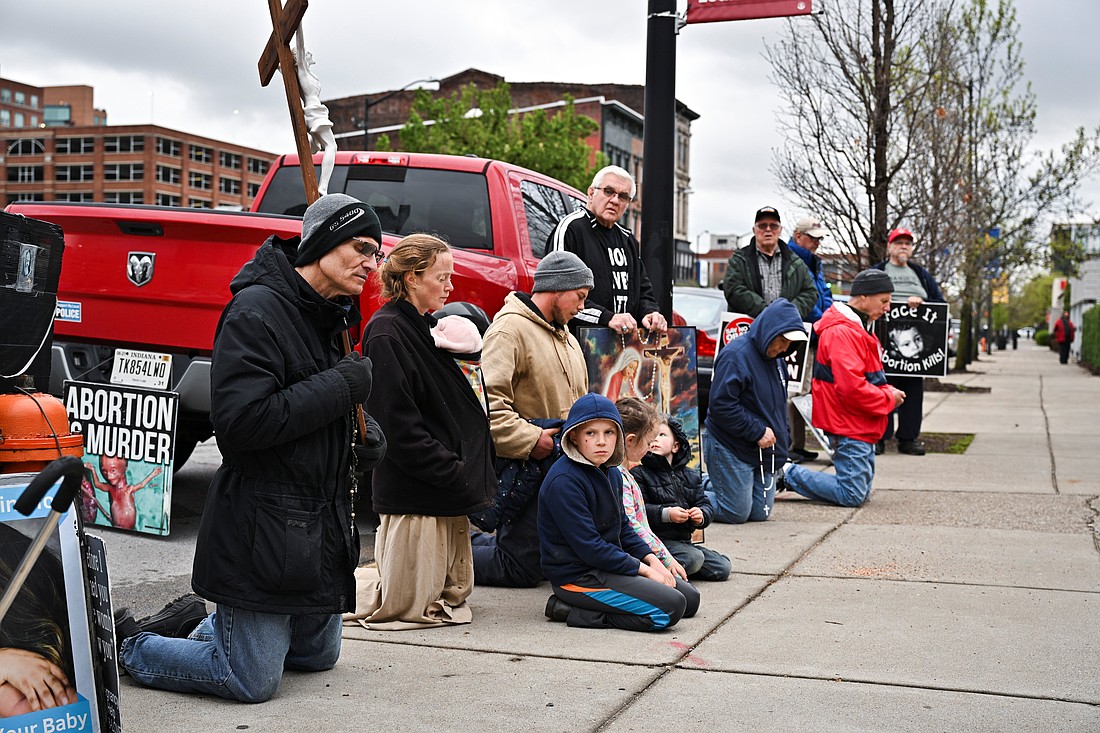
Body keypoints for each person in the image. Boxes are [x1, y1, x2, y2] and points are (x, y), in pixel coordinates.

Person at [115, 192, 388, 703]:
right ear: (325, 243)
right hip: (262, 525)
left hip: (318, 525)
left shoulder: (331, 316)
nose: (372, 265)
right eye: (363, 248)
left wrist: (364, 435)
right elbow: (241, 424)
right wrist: (341, 388)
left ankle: (204, 627)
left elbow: (320, 398)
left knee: (315, 657)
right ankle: (133, 644)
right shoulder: (256, 311)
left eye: (377, 254)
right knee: (248, 679)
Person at [347, 234, 495, 630]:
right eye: (442, 277)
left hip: (441, 488)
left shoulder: (423, 326)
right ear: (412, 278)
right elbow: (397, 427)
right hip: (418, 491)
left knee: (445, 596)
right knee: (414, 603)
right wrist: (453, 470)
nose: (450, 286)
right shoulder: (387, 332)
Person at [472, 251, 593, 587]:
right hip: (527, 469)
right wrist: (531, 441)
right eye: (580, 296)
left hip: (562, 468)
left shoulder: (567, 336)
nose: (582, 306)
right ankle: (452, 554)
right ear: (558, 287)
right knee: (519, 569)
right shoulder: (508, 330)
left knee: (545, 563)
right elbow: (486, 406)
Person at [538, 393, 699, 631]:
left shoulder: (611, 471)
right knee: (670, 609)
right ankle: (570, 610)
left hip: (608, 566)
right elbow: (590, 548)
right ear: (574, 436)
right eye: (591, 433)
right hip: (578, 577)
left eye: (609, 432)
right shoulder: (564, 481)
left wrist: (654, 562)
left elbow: (624, 528)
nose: (601, 441)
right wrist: (643, 571)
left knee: (690, 601)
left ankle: (621, 595)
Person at [782, 269, 906, 507]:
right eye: (884, 301)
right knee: (852, 494)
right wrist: (888, 398)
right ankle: (787, 473)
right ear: (864, 297)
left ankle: (787, 474)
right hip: (849, 424)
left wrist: (886, 391)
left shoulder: (855, 328)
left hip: (857, 423)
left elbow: (864, 378)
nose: (888, 307)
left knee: (859, 491)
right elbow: (851, 388)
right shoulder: (842, 332)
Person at [704, 298, 808, 524]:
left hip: (762, 450)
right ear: (769, 331)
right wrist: (758, 431)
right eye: (781, 341)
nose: (783, 348)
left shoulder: (777, 360)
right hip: (730, 444)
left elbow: (778, 405)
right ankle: (685, 492)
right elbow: (721, 405)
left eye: (788, 344)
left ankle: (719, 483)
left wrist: (783, 439)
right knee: (735, 513)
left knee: (760, 513)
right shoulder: (736, 355)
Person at [547, 165, 667, 337]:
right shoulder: (571, 229)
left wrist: (650, 312)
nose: (615, 200)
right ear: (591, 193)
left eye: (623, 196)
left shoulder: (627, 240)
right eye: (608, 191)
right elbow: (557, 291)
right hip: (576, 344)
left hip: (621, 350)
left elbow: (643, 291)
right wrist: (607, 317)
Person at [872, 227, 945, 456]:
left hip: (915, 345)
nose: (904, 246)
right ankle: (880, 438)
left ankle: (908, 438)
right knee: (882, 389)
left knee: (913, 392)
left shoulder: (920, 274)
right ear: (890, 247)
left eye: (908, 243)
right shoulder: (878, 271)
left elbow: (939, 302)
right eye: (899, 242)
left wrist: (922, 301)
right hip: (884, 343)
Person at [631, 417, 731, 582]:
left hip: (683, 543)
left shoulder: (690, 475)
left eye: (662, 435)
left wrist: (701, 515)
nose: (655, 439)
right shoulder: (640, 474)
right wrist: (667, 514)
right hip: (657, 543)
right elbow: (639, 512)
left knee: (722, 567)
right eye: (652, 436)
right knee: (694, 558)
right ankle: (655, 572)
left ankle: (679, 570)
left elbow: (704, 504)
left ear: (676, 446)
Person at [613, 397, 693, 585]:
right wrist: (664, 559)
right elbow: (633, 527)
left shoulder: (626, 473)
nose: (650, 448)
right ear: (630, 440)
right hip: (632, 556)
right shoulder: (618, 476)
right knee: (683, 597)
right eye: (648, 442)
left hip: (645, 551)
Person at [786, 217, 834, 464]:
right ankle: (792, 444)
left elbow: (823, 293)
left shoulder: (813, 262)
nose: (816, 243)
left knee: (803, 390)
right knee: (794, 389)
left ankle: (798, 443)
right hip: (802, 330)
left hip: (815, 331)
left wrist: (830, 315)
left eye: (818, 239)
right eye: (812, 238)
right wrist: (821, 318)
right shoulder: (791, 260)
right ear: (798, 236)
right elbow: (804, 297)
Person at [721, 206, 818, 321]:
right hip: (747, 330)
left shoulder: (796, 263)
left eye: (773, 226)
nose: (768, 229)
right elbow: (733, 289)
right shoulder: (739, 260)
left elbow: (810, 293)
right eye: (762, 225)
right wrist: (765, 312)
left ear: (780, 230)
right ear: (754, 230)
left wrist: (788, 312)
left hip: (784, 331)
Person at [83, 455, 161, 530]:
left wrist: (153, 474)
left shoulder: (129, 490)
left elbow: (141, 485)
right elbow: (97, 485)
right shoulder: (110, 489)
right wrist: (93, 470)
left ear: (125, 468)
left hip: (128, 530)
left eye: (113, 470)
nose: (109, 476)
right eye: (105, 471)